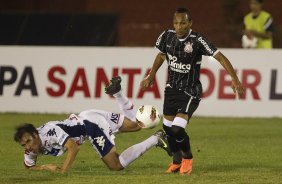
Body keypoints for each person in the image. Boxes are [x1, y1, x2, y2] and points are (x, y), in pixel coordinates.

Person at [140, 8, 244, 175]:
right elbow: (161, 56)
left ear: (190, 23)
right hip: (171, 89)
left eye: (182, 23)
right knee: (167, 128)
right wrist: (151, 75)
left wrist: (235, 78)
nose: (178, 26)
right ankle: (176, 160)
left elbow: (220, 57)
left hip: (190, 91)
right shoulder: (166, 36)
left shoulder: (197, 40)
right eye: (175, 23)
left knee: (176, 129)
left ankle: (187, 158)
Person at [14, 76, 171, 173]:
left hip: (91, 126)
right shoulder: (31, 147)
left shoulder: (50, 132)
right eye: (24, 145)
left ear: (35, 134)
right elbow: (28, 167)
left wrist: (63, 171)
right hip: (89, 115)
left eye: (28, 141)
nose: (27, 147)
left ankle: (157, 139)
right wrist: (44, 167)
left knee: (116, 165)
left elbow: (73, 147)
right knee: (137, 125)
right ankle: (117, 93)